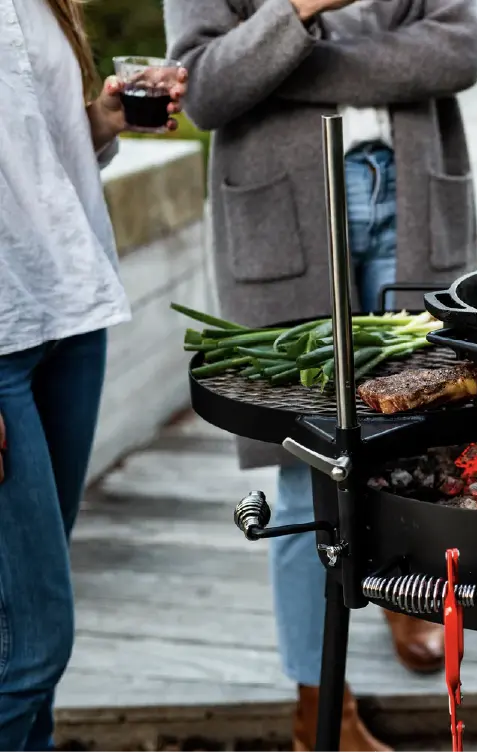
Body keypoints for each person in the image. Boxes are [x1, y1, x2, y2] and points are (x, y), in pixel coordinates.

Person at [164, 1, 477, 750]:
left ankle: (409, 597)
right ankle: (321, 709)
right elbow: (204, 88)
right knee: (303, 463)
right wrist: (303, 9)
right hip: (285, 211)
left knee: (422, 429)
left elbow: (460, 49)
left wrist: (292, 59)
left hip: (408, 194)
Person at [0, 1, 188, 749]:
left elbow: (32, 152)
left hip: (66, 321)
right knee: (32, 642)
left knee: (19, 631)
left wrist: (103, 122)